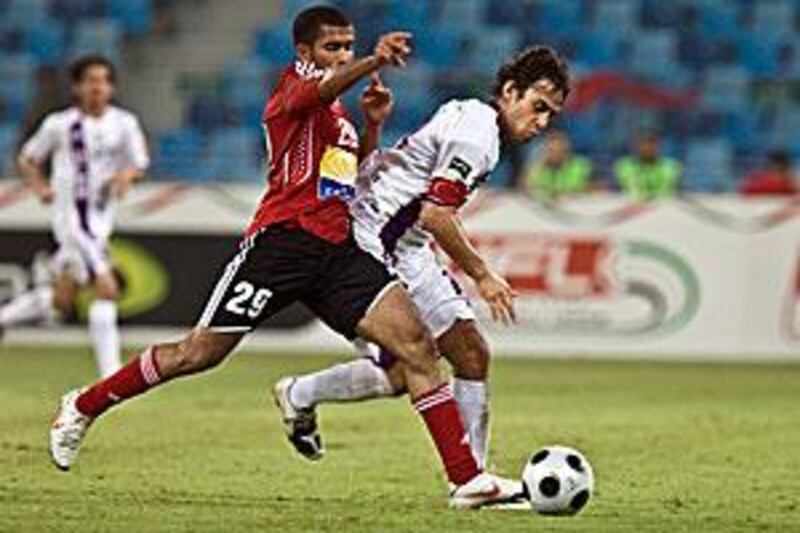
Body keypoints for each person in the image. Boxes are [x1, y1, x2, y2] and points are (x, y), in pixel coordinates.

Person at [48, 6, 518, 509]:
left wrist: (373, 126)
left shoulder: (337, 120)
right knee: (197, 354)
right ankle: (82, 404)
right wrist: (370, 60)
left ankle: (466, 479)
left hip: (337, 252)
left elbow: (347, 181)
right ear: (304, 53)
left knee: (418, 349)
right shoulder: (290, 90)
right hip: (281, 244)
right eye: (331, 47)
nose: (340, 55)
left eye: (347, 46)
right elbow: (317, 91)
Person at [272, 46, 570, 475]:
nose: (542, 122)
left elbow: (415, 197)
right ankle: (300, 394)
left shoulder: (473, 118)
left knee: (470, 353)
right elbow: (436, 215)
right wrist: (482, 275)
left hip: (406, 245)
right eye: (537, 107)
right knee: (404, 369)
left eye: (550, 115)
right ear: (509, 90)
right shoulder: (477, 131)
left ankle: (475, 477)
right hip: (371, 240)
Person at [5, 55, 149, 378]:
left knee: (62, 299)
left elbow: (139, 163)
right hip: (72, 223)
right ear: (77, 88)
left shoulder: (124, 124)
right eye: (91, 81)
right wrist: (40, 187)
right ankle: (111, 375)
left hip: (101, 219)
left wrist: (126, 176)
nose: (98, 87)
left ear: (111, 87)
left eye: (103, 81)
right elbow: (28, 158)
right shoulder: (60, 124)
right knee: (107, 288)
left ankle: (3, 319)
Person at [523, 130, 591, 199]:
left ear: (566, 151)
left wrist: (571, 192)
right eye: (551, 151)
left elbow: (597, 188)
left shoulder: (580, 165)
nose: (555, 155)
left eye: (559, 150)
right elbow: (525, 188)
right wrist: (539, 164)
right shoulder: (539, 167)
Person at [614, 131, 680, 200]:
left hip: (664, 208)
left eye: (652, 142)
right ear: (636, 146)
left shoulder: (671, 166)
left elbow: (674, 193)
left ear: (660, 145)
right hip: (630, 206)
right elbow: (613, 191)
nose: (648, 147)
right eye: (644, 142)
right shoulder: (624, 166)